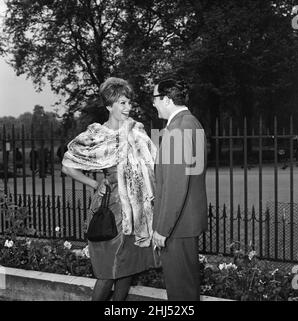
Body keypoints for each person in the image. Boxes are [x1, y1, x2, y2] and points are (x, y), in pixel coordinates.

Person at [62, 77, 157, 301]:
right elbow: (67, 166)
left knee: (128, 269)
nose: (128, 108)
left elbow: (154, 163)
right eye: (122, 103)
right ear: (109, 106)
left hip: (137, 211)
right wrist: (94, 183)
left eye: (129, 103)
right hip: (111, 209)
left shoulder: (136, 132)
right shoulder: (97, 135)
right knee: (108, 271)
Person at [152, 78, 208, 301]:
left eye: (155, 98)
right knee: (186, 289)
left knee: (180, 293)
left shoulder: (178, 129)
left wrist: (162, 228)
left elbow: (176, 186)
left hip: (177, 226)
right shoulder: (192, 122)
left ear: (166, 99)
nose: (153, 103)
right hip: (186, 221)